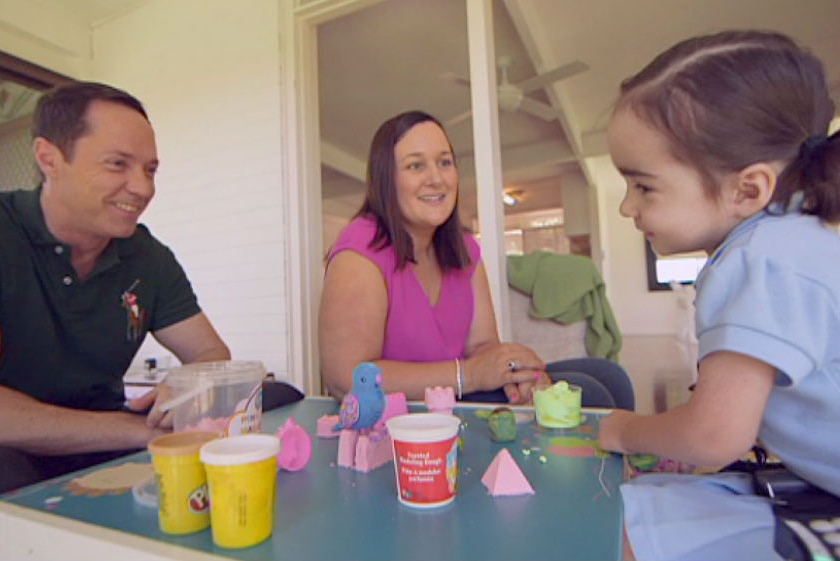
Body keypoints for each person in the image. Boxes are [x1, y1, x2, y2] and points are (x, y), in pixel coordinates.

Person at [598, 30, 840, 561]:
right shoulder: (797, 239)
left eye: (644, 186)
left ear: (747, 189)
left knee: (620, 530)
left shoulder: (763, 258)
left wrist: (623, 429)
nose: (627, 208)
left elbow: (713, 436)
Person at [0, 82, 230, 493]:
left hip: (104, 439)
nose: (143, 188)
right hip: (14, 448)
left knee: (280, 393)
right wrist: (136, 432)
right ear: (48, 158)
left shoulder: (149, 257)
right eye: (117, 164)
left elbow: (211, 355)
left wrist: (184, 388)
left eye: (150, 169)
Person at [319, 110, 548, 404]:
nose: (437, 179)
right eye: (416, 166)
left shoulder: (464, 249)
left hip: (457, 403)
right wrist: (468, 374)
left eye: (444, 162)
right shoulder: (359, 251)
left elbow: (482, 346)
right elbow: (345, 377)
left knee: (598, 376)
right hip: (396, 424)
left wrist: (519, 375)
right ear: (386, 180)